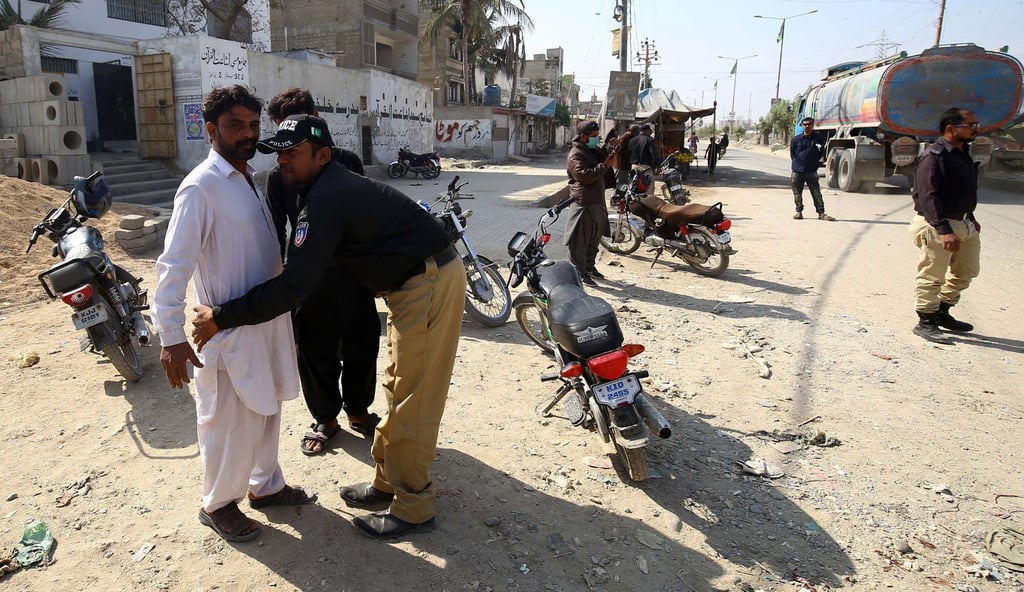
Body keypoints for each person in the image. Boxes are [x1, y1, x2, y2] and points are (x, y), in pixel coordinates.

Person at [190, 114, 465, 539]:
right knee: (397, 386)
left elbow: (296, 285)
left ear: (322, 154)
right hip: (410, 286)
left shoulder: (325, 196)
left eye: (293, 153)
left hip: (428, 282)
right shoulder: (318, 189)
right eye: (279, 153)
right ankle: (387, 483)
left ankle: (414, 507)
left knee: (415, 397)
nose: (283, 162)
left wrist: (222, 317)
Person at [152, 85, 316, 544]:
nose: (247, 134)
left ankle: (265, 486)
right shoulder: (200, 187)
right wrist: (170, 336)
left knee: (266, 409)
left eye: (252, 125)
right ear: (211, 130)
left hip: (264, 323)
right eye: (235, 126)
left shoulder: (248, 177)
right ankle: (218, 503)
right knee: (227, 420)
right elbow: (173, 266)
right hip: (226, 328)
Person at [264, 88, 381, 456]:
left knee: (363, 345)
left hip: (352, 274)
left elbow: (365, 218)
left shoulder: (346, 161)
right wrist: (281, 282)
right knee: (315, 352)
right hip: (307, 282)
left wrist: (374, 273)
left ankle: (359, 412)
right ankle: (326, 419)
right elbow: (275, 230)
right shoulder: (276, 176)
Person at [908, 107, 982, 344]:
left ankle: (942, 311)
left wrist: (969, 217)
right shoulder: (934, 156)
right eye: (970, 125)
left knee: (967, 272)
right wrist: (943, 229)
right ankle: (926, 321)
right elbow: (928, 196)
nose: (975, 128)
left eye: (975, 124)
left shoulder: (962, 153)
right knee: (933, 275)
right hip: (937, 224)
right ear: (950, 129)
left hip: (963, 222)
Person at [564, 120, 614, 286]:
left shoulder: (590, 150)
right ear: (583, 136)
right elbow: (584, 176)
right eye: (593, 136)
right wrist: (604, 166)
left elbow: (602, 157)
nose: (596, 139)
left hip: (596, 201)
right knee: (580, 241)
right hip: (584, 203)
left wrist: (610, 148)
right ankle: (578, 272)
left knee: (594, 237)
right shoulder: (576, 154)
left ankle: (589, 267)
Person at [790, 117, 835, 221]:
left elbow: (821, 152)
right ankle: (798, 212)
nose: (807, 126)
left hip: (811, 171)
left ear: (813, 125)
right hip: (797, 171)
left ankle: (821, 213)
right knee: (797, 193)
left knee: (816, 193)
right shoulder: (796, 140)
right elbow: (792, 154)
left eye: (809, 124)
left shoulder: (818, 138)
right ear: (802, 126)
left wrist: (814, 163)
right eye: (805, 124)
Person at [608, 124, 640, 202]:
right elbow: (620, 150)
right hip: (622, 164)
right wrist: (631, 152)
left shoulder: (629, 137)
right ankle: (614, 198)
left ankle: (620, 199)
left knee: (624, 183)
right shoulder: (626, 137)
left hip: (626, 164)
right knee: (620, 183)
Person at [629, 123, 658, 195]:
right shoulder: (649, 140)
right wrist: (656, 166)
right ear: (647, 131)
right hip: (645, 168)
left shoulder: (632, 140)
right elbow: (653, 154)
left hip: (634, 167)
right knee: (648, 190)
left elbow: (629, 153)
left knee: (635, 188)